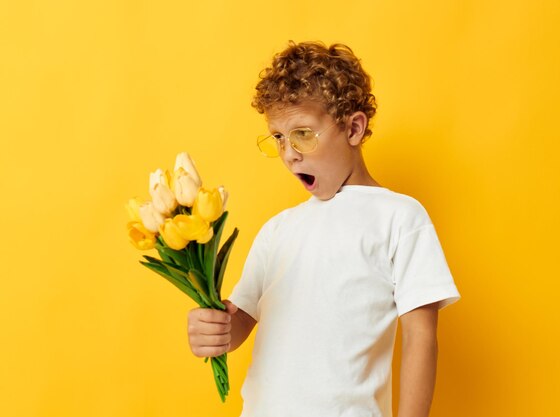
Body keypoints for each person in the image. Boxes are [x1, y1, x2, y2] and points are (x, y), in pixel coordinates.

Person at [187, 41, 461, 417]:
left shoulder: (399, 217)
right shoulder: (277, 231)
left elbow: (421, 336)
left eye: (302, 134)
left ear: (353, 128)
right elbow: (239, 325)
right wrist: (213, 328)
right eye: (279, 138)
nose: (289, 154)